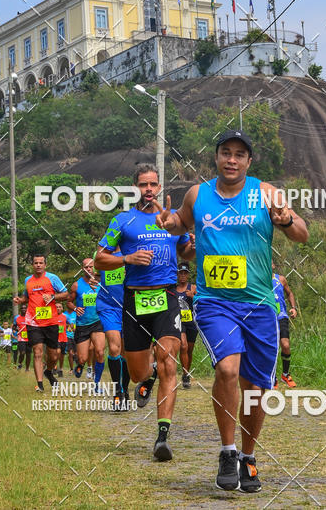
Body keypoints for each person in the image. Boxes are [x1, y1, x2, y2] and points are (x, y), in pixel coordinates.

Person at [157, 130, 308, 493]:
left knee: (255, 387)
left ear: (248, 161)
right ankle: (227, 451)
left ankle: (248, 456)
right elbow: (181, 223)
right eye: (226, 152)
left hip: (258, 303)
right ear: (217, 157)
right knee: (227, 368)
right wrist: (169, 225)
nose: (232, 159)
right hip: (213, 302)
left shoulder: (267, 193)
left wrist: (285, 220)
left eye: (240, 154)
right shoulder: (199, 194)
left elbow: (301, 233)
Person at [95, 162, 195, 461]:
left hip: (166, 298)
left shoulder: (172, 221)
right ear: (135, 188)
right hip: (134, 299)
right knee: (139, 372)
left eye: (153, 184)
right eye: (143, 185)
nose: (148, 190)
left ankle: (162, 437)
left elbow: (187, 251)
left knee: (168, 363)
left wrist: (195, 235)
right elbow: (100, 259)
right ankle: (146, 378)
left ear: (160, 187)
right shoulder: (123, 221)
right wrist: (127, 258)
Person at [13, 255, 68, 392]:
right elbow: (27, 297)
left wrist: (53, 297)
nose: (38, 265)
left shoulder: (52, 278)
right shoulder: (28, 280)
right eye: (36, 263)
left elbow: (66, 294)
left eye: (41, 263)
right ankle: (40, 384)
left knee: (53, 355)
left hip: (51, 321)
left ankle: (48, 371)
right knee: (37, 352)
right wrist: (20, 300)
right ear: (32, 265)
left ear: (45, 265)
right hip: (33, 321)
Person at [95, 246, 130, 410]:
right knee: (114, 348)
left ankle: (125, 388)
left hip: (130, 307)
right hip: (108, 307)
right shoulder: (101, 255)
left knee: (127, 352)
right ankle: (118, 391)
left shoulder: (131, 250)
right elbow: (96, 270)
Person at [67, 259, 106, 391]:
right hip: (83, 325)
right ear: (82, 269)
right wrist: (75, 308)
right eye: (86, 267)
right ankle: (80, 364)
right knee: (83, 358)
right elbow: (69, 302)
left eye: (91, 267)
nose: (88, 269)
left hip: (98, 322)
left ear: (94, 268)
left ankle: (97, 383)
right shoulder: (76, 285)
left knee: (100, 352)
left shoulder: (101, 283)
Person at [271, 261, 297, 388]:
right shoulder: (258, 280)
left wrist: (293, 307)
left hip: (281, 315)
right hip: (267, 317)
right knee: (272, 348)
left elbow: (289, 293)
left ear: (273, 265)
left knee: (285, 345)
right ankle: (272, 377)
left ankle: (286, 374)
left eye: (270, 262)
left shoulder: (280, 279)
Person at [175, 263, 197, 388]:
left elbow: (202, 302)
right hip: (179, 322)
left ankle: (186, 374)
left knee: (189, 350)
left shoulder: (193, 287)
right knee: (183, 346)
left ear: (188, 274)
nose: (183, 275)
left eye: (185, 273)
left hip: (191, 323)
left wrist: (192, 297)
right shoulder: (174, 289)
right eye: (180, 273)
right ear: (177, 275)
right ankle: (185, 374)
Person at [15, 306, 31, 371]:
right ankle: (20, 363)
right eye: (22, 308)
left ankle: (27, 368)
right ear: (20, 309)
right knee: (22, 353)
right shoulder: (17, 318)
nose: (24, 309)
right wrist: (16, 329)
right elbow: (14, 326)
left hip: (29, 338)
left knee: (28, 354)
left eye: (25, 308)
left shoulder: (30, 317)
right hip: (21, 339)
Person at [55, 303, 68, 377]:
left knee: (62, 356)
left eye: (60, 307)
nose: (58, 308)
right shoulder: (52, 316)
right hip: (55, 339)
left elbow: (70, 324)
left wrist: (71, 327)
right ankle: (54, 367)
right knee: (57, 352)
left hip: (64, 338)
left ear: (62, 308)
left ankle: (61, 369)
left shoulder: (65, 317)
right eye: (56, 307)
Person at [64, 307, 77, 372]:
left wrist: (74, 328)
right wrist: (68, 325)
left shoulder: (76, 314)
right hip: (67, 336)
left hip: (76, 335)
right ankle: (71, 369)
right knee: (70, 353)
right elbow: (61, 323)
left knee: (77, 354)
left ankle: (78, 367)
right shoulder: (64, 314)